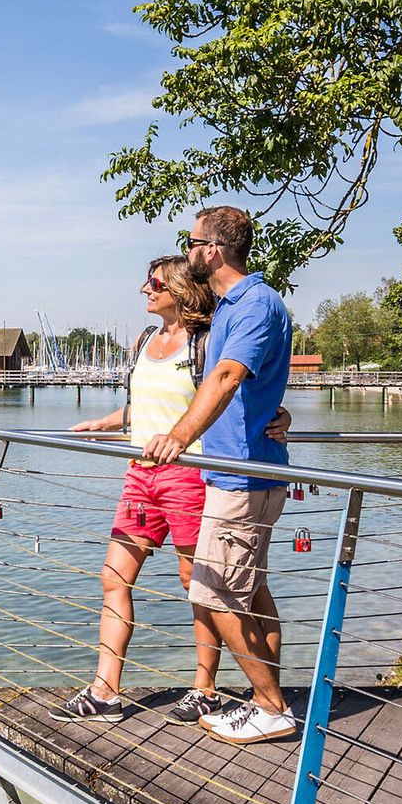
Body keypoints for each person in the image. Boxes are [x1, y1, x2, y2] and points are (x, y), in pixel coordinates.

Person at [52, 257, 292, 724]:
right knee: (113, 577)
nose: (145, 288)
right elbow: (143, 407)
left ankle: (204, 688)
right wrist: (104, 423)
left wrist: (279, 417)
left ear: (179, 289)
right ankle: (105, 690)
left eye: (155, 282)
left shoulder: (204, 344)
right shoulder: (145, 341)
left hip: (187, 475)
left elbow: (231, 396)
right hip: (140, 473)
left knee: (197, 584)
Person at [143, 205, 296, 743]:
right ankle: (265, 700)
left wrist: (178, 437)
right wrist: (277, 410)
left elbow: (230, 375)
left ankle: (272, 707)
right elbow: (246, 385)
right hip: (233, 472)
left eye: (189, 242)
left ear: (211, 249)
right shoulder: (233, 305)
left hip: (245, 477)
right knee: (249, 593)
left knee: (210, 592)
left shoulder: (256, 303)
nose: (186, 251)